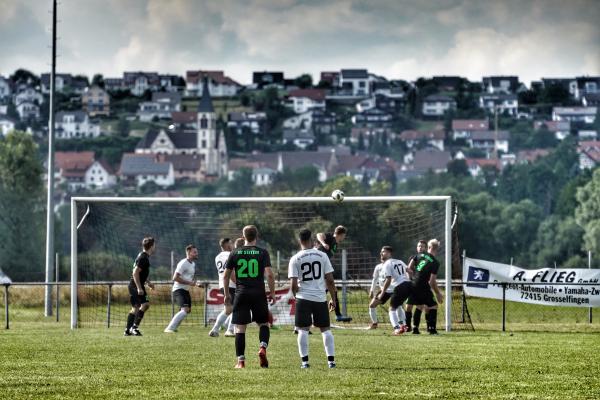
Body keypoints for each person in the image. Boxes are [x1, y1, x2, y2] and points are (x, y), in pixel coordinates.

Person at [223, 226, 276, 368]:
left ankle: (241, 361)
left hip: (241, 293)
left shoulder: (235, 252)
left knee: (240, 328)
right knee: (263, 323)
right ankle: (263, 347)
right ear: (256, 236)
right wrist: (272, 293)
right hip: (258, 292)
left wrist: (227, 294)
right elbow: (269, 274)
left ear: (243, 236)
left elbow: (226, 275)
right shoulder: (263, 252)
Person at [289, 229, 337, 369]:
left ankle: (304, 362)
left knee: (302, 330)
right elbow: (330, 280)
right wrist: (333, 299)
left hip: (303, 298)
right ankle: (331, 362)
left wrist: (295, 295)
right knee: (325, 330)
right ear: (311, 240)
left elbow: (293, 284)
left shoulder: (295, 258)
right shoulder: (322, 255)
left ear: (299, 241)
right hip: (320, 298)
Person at [369, 246, 411, 334]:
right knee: (372, 305)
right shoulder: (379, 267)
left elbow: (389, 279)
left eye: (383, 252)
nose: (381, 253)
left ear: (389, 254)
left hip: (395, 288)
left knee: (397, 307)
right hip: (387, 289)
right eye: (381, 252)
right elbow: (375, 279)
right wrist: (372, 290)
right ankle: (375, 323)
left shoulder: (389, 264)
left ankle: (400, 326)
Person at [315, 225, 352, 322]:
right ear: (341, 234)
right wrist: (323, 243)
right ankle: (334, 314)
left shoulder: (335, 243)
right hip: (318, 266)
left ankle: (337, 315)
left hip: (322, 267)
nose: (344, 238)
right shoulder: (331, 237)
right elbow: (319, 234)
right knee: (330, 289)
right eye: (344, 235)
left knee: (331, 290)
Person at [164, 244, 201, 333]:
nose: (197, 253)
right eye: (194, 252)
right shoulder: (183, 263)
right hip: (178, 290)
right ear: (188, 252)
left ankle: (174, 328)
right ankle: (169, 328)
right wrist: (189, 283)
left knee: (187, 311)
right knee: (184, 310)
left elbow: (189, 278)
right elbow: (175, 278)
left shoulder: (193, 264)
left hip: (185, 290)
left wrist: (197, 284)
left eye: (197, 252)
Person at [409, 239, 443, 335]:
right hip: (423, 285)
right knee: (433, 305)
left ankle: (415, 328)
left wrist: (412, 278)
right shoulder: (435, 262)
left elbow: (409, 268)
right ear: (437, 249)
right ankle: (432, 329)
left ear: (428, 247)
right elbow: (432, 282)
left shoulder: (419, 255)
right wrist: (438, 294)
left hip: (413, 284)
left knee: (419, 305)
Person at [124, 237, 156, 336]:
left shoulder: (143, 256)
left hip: (138, 285)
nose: (155, 247)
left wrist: (148, 282)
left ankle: (131, 329)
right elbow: (135, 273)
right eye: (154, 245)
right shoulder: (143, 258)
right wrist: (139, 287)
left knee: (141, 306)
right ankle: (131, 329)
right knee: (140, 306)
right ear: (152, 246)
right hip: (135, 286)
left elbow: (140, 273)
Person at [209, 238, 236, 337]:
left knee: (228, 309)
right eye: (231, 243)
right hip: (231, 285)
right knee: (236, 308)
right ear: (228, 245)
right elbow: (231, 273)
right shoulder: (230, 255)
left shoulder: (217, 257)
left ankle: (215, 329)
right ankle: (230, 330)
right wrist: (239, 284)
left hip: (222, 285)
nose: (232, 245)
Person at [405, 240, 427, 333]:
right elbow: (408, 269)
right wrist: (410, 280)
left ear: (425, 248)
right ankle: (408, 326)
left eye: (422, 246)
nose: (420, 248)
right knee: (408, 306)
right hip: (412, 285)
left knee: (420, 306)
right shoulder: (413, 257)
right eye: (418, 246)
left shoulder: (427, 259)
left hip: (422, 286)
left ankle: (415, 327)